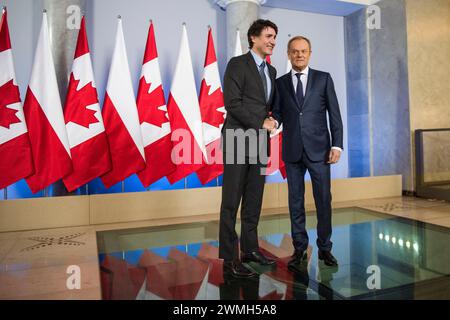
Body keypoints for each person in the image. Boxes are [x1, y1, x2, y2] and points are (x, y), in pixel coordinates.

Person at [272, 36, 343, 268]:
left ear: (310, 53)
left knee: (323, 200)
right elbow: (279, 113)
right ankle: (299, 249)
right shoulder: (280, 83)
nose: (299, 55)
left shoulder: (323, 79)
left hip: (320, 151)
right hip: (292, 151)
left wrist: (336, 145)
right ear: (288, 54)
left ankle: (325, 248)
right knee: (295, 202)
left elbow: (334, 114)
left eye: (303, 51)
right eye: (294, 51)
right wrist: (270, 121)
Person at [219, 19, 278, 278]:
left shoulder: (271, 71)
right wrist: (261, 121)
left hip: (260, 141)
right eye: (268, 35)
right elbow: (232, 103)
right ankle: (230, 260)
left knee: (254, 200)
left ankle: (250, 250)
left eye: (274, 36)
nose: (272, 41)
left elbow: (269, 106)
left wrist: (275, 120)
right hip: (236, 138)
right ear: (253, 38)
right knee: (231, 202)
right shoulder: (237, 64)